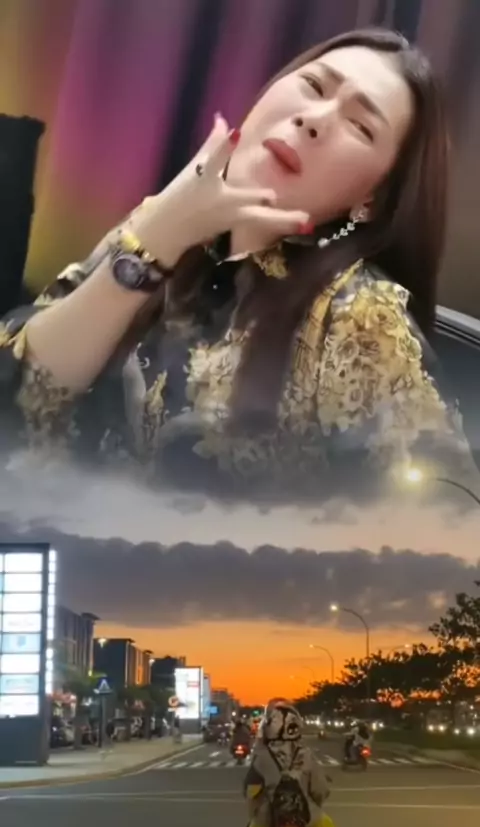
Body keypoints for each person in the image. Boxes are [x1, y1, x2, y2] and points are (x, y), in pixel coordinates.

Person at [0, 28, 477, 505]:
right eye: (314, 86)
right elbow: (18, 396)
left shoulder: (360, 318)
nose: (314, 120)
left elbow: (442, 529)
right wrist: (155, 243)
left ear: (370, 200)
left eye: (360, 126)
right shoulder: (161, 223)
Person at [240, 701, 339, 827]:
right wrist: (315, 804)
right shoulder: (306, 755)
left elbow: (249, 790)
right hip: (306, 816)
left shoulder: (262, 757)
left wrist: (256, 810)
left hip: (268, 818)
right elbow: (321, 789)